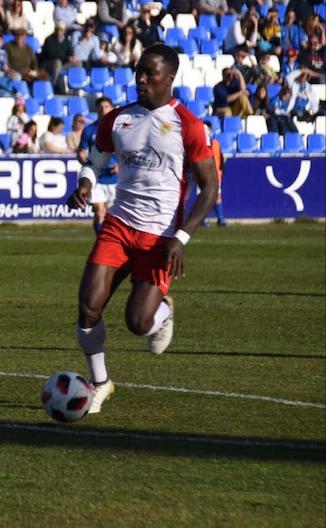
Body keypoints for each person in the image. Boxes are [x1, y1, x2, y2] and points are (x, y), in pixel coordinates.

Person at [65, 44, 218, 414]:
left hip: (160, 237)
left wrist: (182, 238)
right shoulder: (117, 119)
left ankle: (161, 311)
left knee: (137, 322)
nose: (142, 79)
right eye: (139, 72)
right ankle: (100, 384)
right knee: (88, 306)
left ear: (170, 78)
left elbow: (210, 189)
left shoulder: (189, 126)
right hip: (119, 225)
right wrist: (86, 182)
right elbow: (97, 159)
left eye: (150, 73)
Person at [79, 95, 117, 233]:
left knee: (113, 215)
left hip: (115, 179)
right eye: (100, 108)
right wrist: (90, 166)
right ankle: (100, 241)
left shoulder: (119, 129)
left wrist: (120, 166)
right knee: (99, 210)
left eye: (106, 107)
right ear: (96, 110)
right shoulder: (89, 130)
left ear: (112, 108)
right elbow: (81, 152)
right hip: (97, 179)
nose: (103, 110)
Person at [201, 119, 227, 227]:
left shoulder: (216, 144)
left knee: (217, 196)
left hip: (216, 175)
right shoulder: (201, 144)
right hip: (203, 175)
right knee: (204, 197)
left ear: (210, 130)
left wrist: (221, 170)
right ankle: (202, 220)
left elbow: (220, 158)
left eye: (207, 129)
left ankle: (220, 219)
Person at [40, 21, 74, 91]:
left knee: (78, 63)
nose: (59, 32)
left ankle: (74, 87)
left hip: (62, 63)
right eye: (57, 29)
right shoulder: (49, 40)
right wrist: (67, 58)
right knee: (57, 62)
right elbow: (52, 54)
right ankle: (53, 85)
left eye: (61, 30)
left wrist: (72, 57)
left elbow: (70, 51)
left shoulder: (66, 40)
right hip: (49, 63)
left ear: (64, 31)